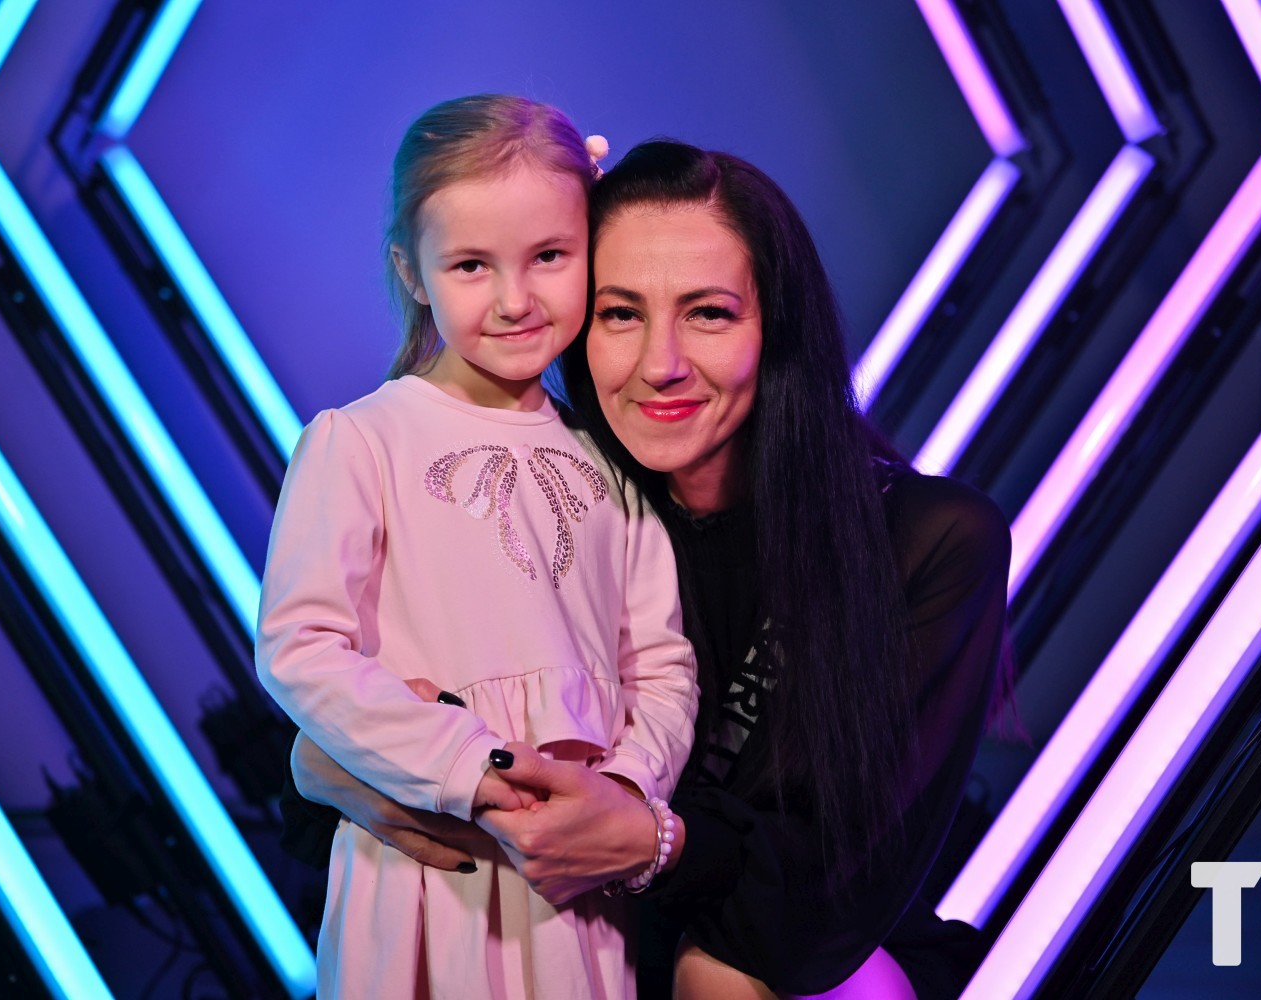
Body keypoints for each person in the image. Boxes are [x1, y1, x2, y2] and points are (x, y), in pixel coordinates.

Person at [282, 139, 1011, 999]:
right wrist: (330, 765)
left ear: (776, 327)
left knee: (722, 978)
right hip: (570, 944)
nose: (660, 365)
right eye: (620, 313)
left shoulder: (925, 539)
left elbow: (826, 900)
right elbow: (342, 723)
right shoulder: (560, 502)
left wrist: (646, 840)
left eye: (709, 313)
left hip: (804, 960)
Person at [257, 98, 698, 999]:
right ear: (412, 273)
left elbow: (660, 664)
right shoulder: (361, 441)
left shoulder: (613, 463)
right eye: (470, 265)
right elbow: (301, 646)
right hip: (426, 866)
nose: (514, 299)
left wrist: (622, 789)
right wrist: (459, 763)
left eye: (549, 257)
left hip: (572, 881)